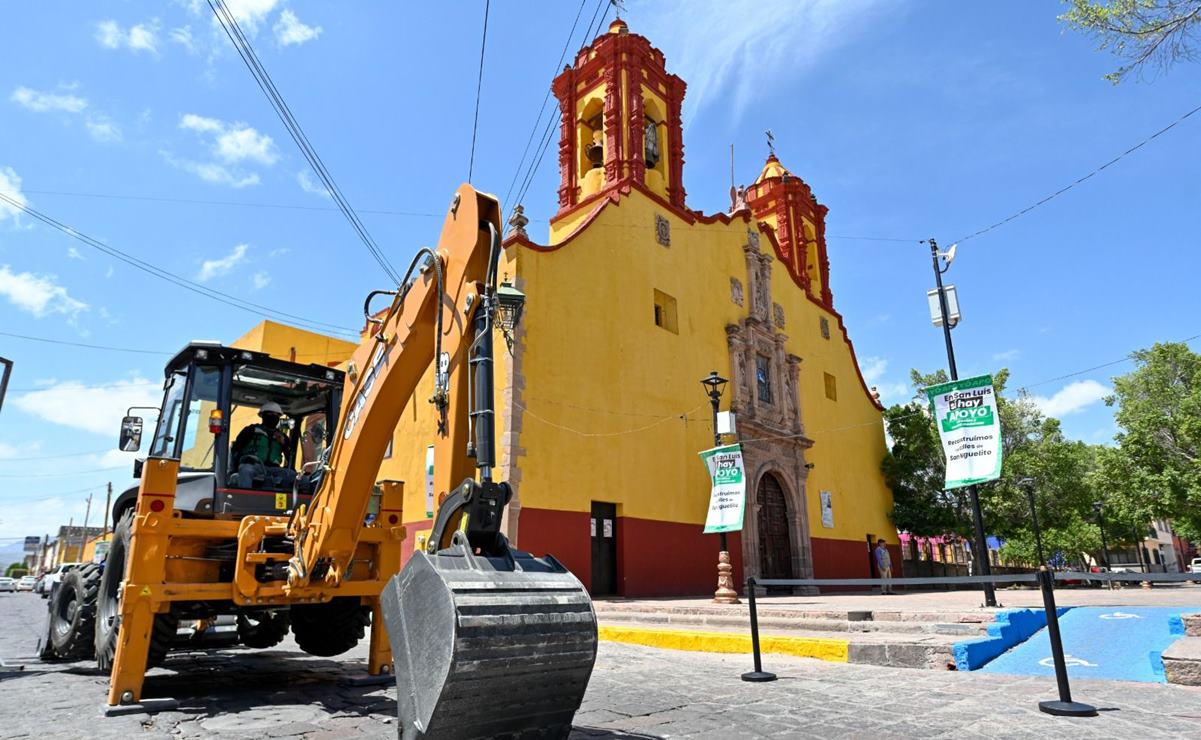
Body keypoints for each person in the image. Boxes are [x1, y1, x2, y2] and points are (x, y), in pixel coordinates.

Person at [231, 401, 295, 490]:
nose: (273, 417)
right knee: (246, 469)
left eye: (276, 415)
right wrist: (235, 467)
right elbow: (236, 449)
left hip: (274, 469)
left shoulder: (282, 436)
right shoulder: (251, 430)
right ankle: (245, 496)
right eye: (270, 414)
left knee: (293, 476)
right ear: (263, 415)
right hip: (254, 466)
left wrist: (283, 444)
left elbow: (290, 457)